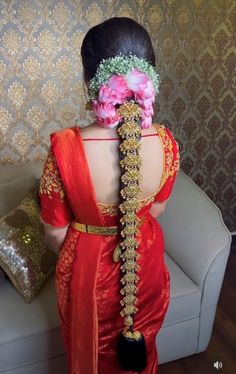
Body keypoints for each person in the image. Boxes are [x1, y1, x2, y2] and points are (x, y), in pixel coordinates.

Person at [39, 17, 180, 374]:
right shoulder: (165, 143)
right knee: (140, 350)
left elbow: (55, 234)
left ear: (90, 82)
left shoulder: (65, 150)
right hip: (145, 262)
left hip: (89, 273)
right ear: (148, 76)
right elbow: (158, 207)